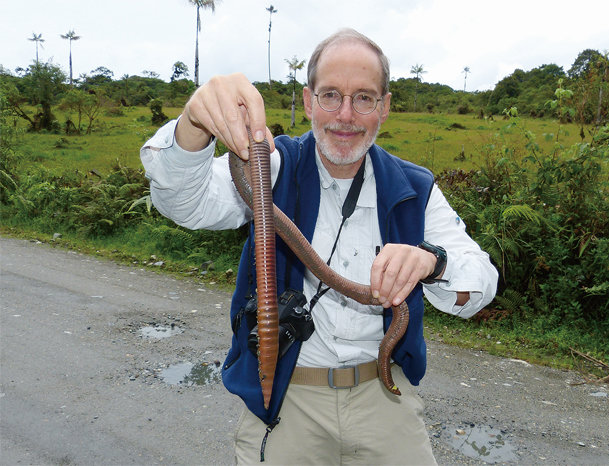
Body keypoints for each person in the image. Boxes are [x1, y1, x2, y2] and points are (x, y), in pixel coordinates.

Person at [141, 28, 498, 465]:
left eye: (364, 98)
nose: (345, 115)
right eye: (331, 95)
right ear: (309, 101)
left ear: (384, 108)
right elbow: (184, 202)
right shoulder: (270, 167)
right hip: (288, 392)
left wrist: (432, 262)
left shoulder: (414, 187)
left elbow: (481, 282)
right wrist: (193, 126)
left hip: (383, 395)